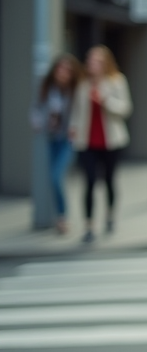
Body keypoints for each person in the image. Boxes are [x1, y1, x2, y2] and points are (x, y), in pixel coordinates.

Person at [69, 46, 132, 243]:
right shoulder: (83, 84)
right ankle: (89, 226)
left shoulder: (116, 81)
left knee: (109, 181)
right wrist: (72, 127)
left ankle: (110, 216)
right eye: (90, 60)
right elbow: (76, 111)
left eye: (96, 61)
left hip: (111, 140)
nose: (91, 64)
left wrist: (105, 100)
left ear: (105, 63)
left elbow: (125, 108)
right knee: (88, 183)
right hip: (87, 141)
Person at [31, 54, 82, 234]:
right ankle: (56, 214)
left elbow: (80, 115)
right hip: (50, 138)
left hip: (67, 141)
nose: (63, 72)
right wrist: (37, 122)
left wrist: (76, 128)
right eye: (60, 68)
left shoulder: (76, 90)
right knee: (51, 179)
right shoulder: (47, 88)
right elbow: (36, 108)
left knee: (55, 176)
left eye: (67, 69)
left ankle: (62, 216)